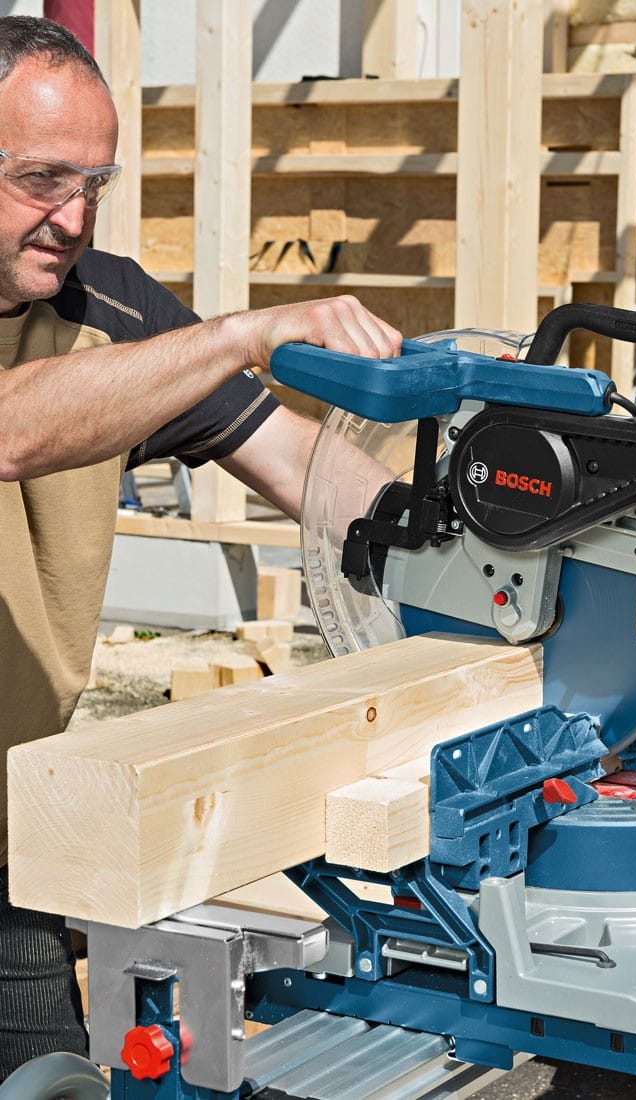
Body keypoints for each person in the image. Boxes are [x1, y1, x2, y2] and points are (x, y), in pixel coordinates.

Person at [0, 15, 402, 1077]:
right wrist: (239, 330)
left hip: (11, 835)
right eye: (42, 179)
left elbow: (304, 469)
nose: (75, 216)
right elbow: (13, 426)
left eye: (96, 182)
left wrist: (492, 533)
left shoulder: (111, 305)